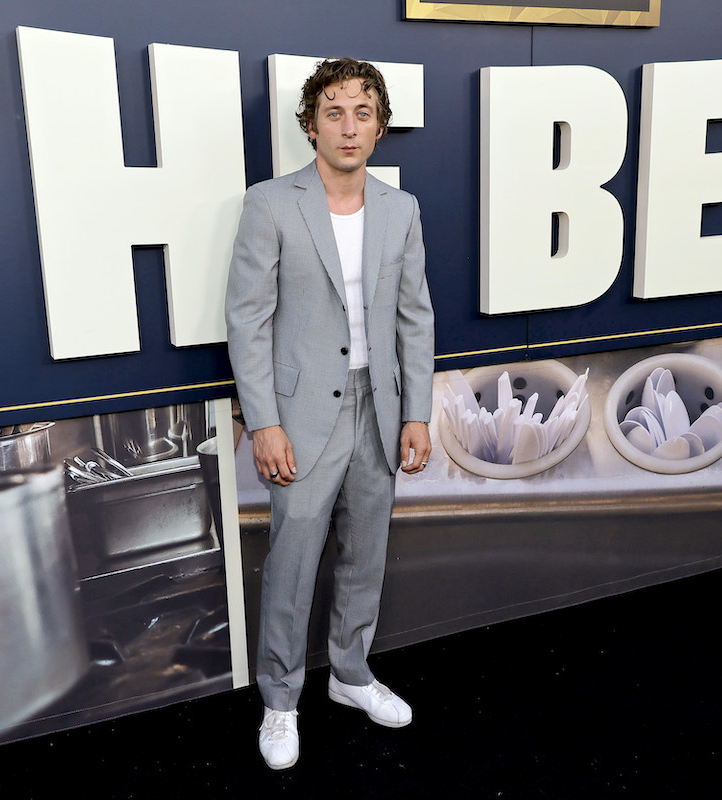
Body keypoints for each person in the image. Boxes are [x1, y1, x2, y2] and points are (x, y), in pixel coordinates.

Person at [224, 57, 435, 770]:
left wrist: (417, 412)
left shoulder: (400, 209)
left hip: (379, 410)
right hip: (300, 416)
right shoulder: (270, 204)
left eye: (364, 112)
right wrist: (266, 420)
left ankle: (350, 677)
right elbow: (247, 320)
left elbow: (415, 320)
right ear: (311, 124)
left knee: (364, 558)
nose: (350, 126)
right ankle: (280, 702)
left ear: (380, 126)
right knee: (292, 564)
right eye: (336, 112)